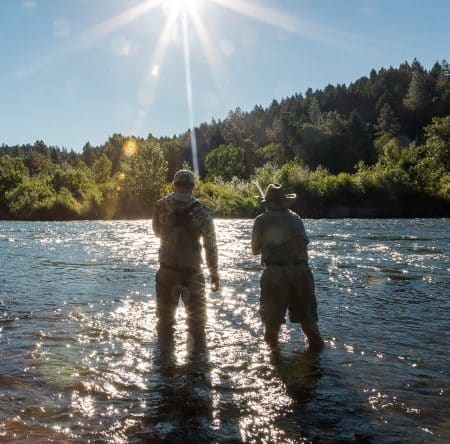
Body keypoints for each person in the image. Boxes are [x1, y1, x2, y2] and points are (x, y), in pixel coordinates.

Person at [152, 169, 220, 352]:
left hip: (166, 271)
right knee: (197, 326)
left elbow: (157, 231)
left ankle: (164, 370)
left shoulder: (160, 206)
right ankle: (196, 369)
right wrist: (214, 274)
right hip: (193, 274)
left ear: (174, 185)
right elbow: (210, 245)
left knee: (165, 324)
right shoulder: (203, 211)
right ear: (193, 187)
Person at [251, 183, 324, 351]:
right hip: (302, 273)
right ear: (285, 202)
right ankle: (319, 366)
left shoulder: (261, 220)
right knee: (310, 325)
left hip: (275, 274)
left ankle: (274, 368)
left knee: (272, 328)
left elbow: (255, 250)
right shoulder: (296, 218)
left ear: (267, 203)